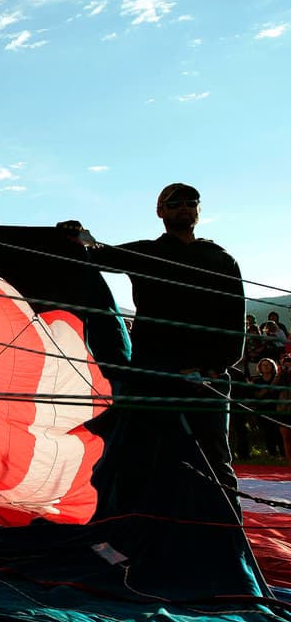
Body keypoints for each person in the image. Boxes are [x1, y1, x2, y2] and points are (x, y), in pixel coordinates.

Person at [61, 182, 245, 520]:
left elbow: (235, 319)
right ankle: (128, 531)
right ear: (160, 211)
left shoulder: (221, 259)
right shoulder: (147, 252)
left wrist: (217, 368)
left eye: (192, 202)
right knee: (137, 455)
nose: (185, 207)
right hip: (153, 374)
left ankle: (225, 538)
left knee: (213, 459)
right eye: (175, 203)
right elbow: (95, 252)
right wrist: (74, 235)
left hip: (206, 378)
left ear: (199, 211)